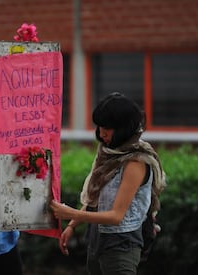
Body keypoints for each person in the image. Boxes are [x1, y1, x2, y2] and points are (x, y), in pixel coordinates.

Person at [50, 92, 166, 275]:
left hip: (121, 246)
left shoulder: (136, 162)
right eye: (100, 127)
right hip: (97, 242)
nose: (101, 133)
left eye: (108, 128)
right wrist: (72, 224)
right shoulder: (109, 152)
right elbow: (96, 201)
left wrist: (68, 213)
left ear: (124, 128)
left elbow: (116, 216)